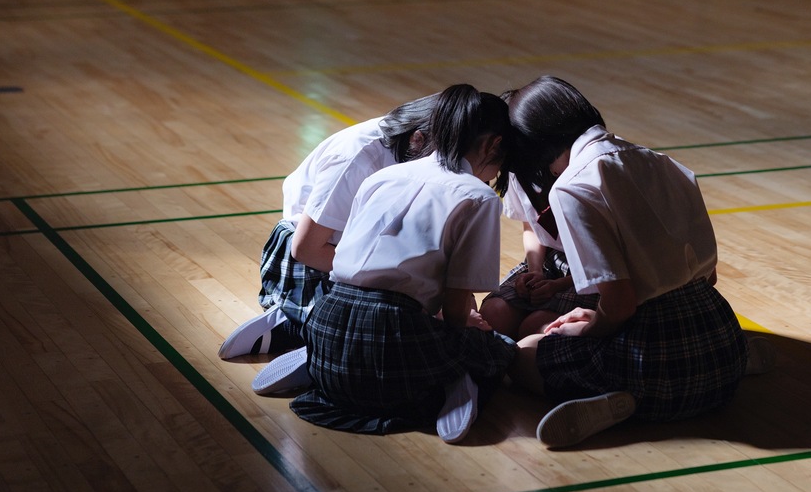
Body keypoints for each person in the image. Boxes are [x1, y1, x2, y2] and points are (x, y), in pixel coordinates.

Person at [504, 76, 774, 448]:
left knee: (522, 354)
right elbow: (707, 277)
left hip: (650, 356)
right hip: (717, 334)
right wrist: (598, 315)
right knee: (576, 333)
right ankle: (734, 362)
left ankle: (625, 401)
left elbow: (621, 304)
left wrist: (585, 328)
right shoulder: (662, 162)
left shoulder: (573, 188)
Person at [269, 84, 519, 443]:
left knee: (384, 336)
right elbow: (454, 305)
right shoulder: (477, 196)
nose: (492, 177)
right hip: (394, 334)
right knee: (498, 349)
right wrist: (471, 323)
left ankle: (318, 363)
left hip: (328, 317)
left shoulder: (381, 177)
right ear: (493, 146)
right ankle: (459, 385)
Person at [218, 94, 437, 362]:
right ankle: (310, 333)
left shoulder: (412, 150)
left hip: (355, 250)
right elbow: (306, 249)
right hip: (311, 260)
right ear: (418, 138)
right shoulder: (359, 155)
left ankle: (308, 331)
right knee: (395, 326)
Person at [478, 168, 599, 339]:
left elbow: (611, 259)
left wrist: (560, 284)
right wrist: (535, 270)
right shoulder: (517, 169)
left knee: (536, 327)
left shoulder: (588, 170)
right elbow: (531, 227)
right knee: (493, 314)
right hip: (549, 257)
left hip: (591, 266)